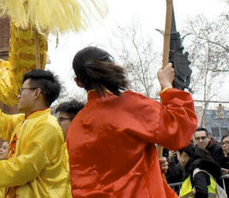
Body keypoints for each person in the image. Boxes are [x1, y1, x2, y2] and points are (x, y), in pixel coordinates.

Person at [66, 46, 197, 197]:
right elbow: (178, 129)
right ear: (112, 69)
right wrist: (167, 86)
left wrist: (150, 165)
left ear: (78, 82)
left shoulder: (76, 125)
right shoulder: (130, 106)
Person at [0, 69, 71, 197]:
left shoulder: (47, 126)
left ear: (36, 93)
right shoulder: (24, 120)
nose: (18, 96)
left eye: (22, 90)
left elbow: (21, 170)